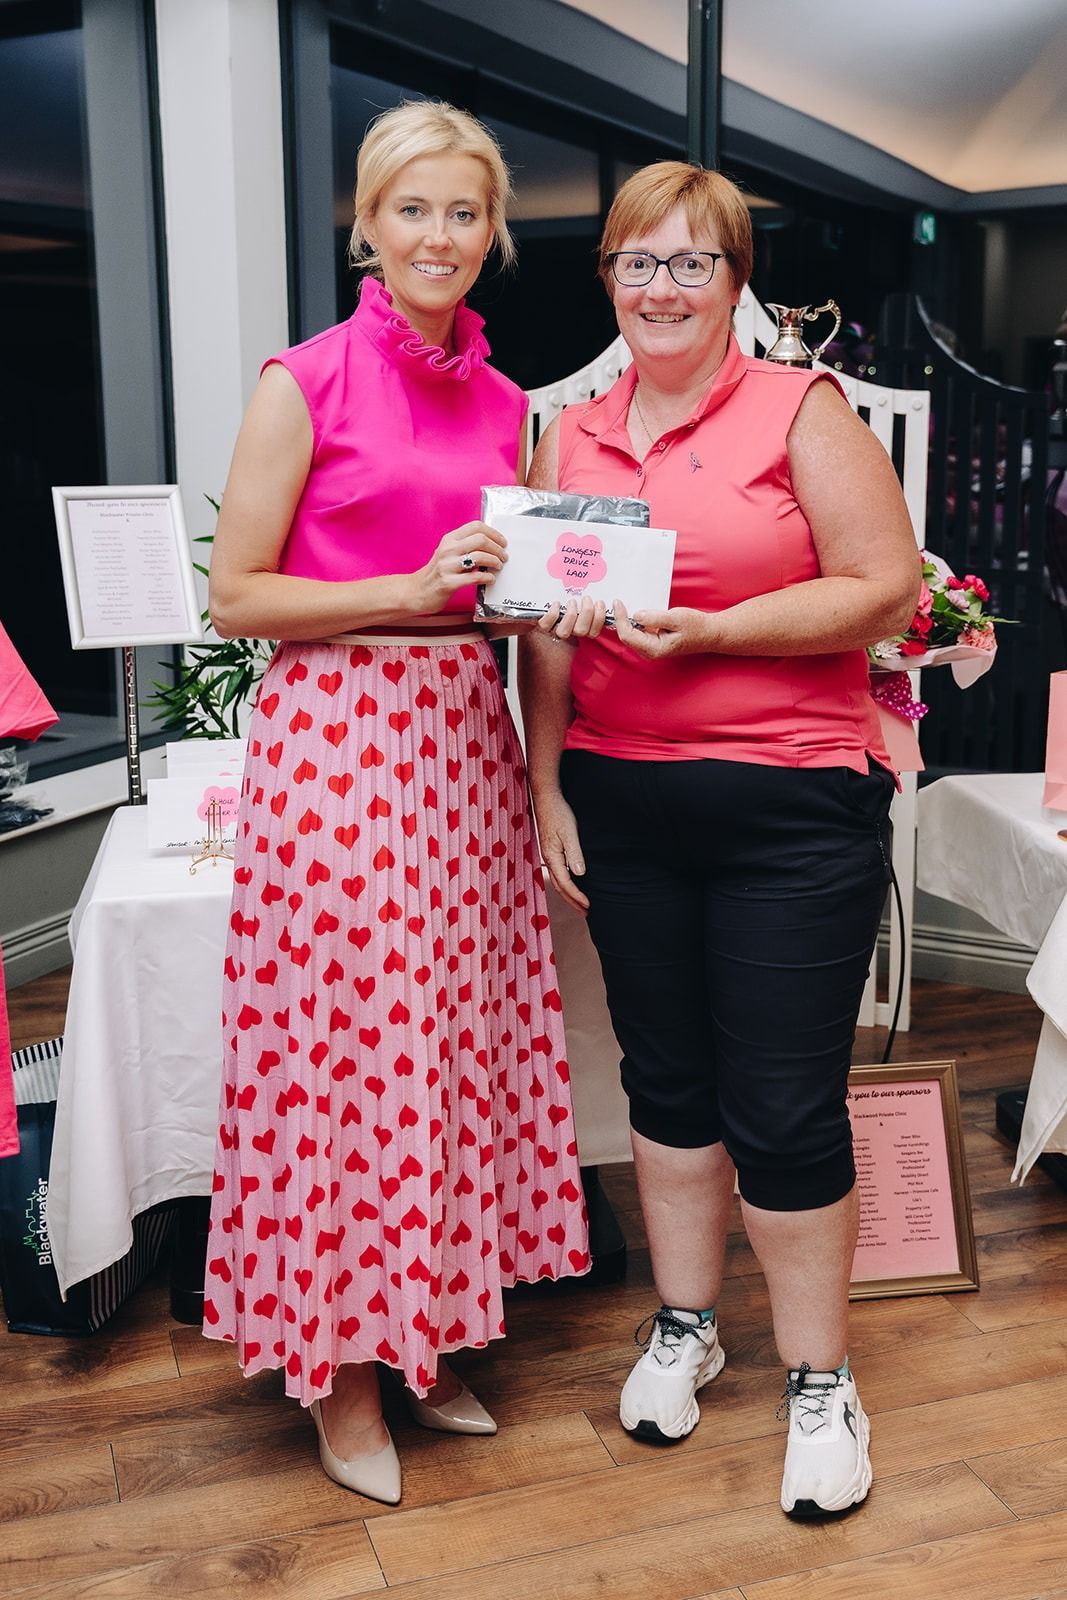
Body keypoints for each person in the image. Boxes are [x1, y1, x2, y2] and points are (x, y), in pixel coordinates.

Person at [204, 100, 591, 1506]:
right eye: (412, 209)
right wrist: (408, 588)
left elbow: (532, 614)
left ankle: (423, 1335)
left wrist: (546, 779)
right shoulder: (301, 381)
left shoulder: (512, 407)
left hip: (466, 745)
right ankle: (341, 1375)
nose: (439, 235)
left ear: (494, 236)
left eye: (464, 213)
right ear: (367, 226)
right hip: (339, 738)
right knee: (348, 1055)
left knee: (447, 1048)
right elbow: (235, 596)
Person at [520, 160, 920, 1518]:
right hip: (625, 806)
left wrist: (715, 632)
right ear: (607, 279)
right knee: (668, 1088)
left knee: (784, 1106)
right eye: (637, 261)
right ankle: (687, 1323)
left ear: (736, 282)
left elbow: (886, 588)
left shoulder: (801, 408)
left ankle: (822, 1380)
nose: (662, 287)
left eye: (693, 262)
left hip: (792, 807)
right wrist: (548, 785)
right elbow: (543, 639)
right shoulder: (569, 435)